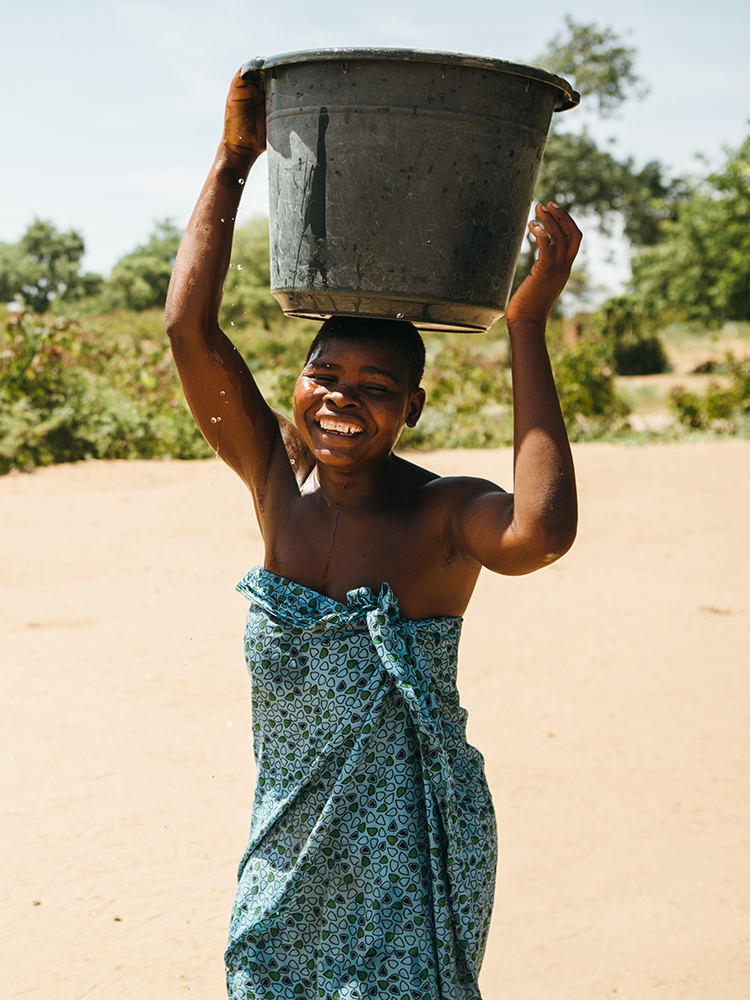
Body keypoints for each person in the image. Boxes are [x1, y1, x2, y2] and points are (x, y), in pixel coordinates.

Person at [164, 69, 583, 999]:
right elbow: (188, 330)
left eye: (377, 385)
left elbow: (540, 534)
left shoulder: (442, 514)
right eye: (326, 374)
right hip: (290, 843)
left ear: (413, 410)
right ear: (299, 383)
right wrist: (235, 160)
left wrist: (526, 326)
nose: (344, 397)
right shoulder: (278, 488)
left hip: (411, 853)